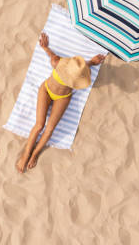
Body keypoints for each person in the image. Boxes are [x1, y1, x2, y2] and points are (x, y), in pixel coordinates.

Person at [16, 32, 106, 173]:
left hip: (63, 97)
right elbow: (51, 54)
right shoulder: (57, 62)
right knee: (39, 125)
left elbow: (83, 67)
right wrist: (45, 47)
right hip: (46, 91)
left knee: (50, 129)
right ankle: (26, 154)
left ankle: (35, 154)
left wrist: (92, 62)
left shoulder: (81, 71)